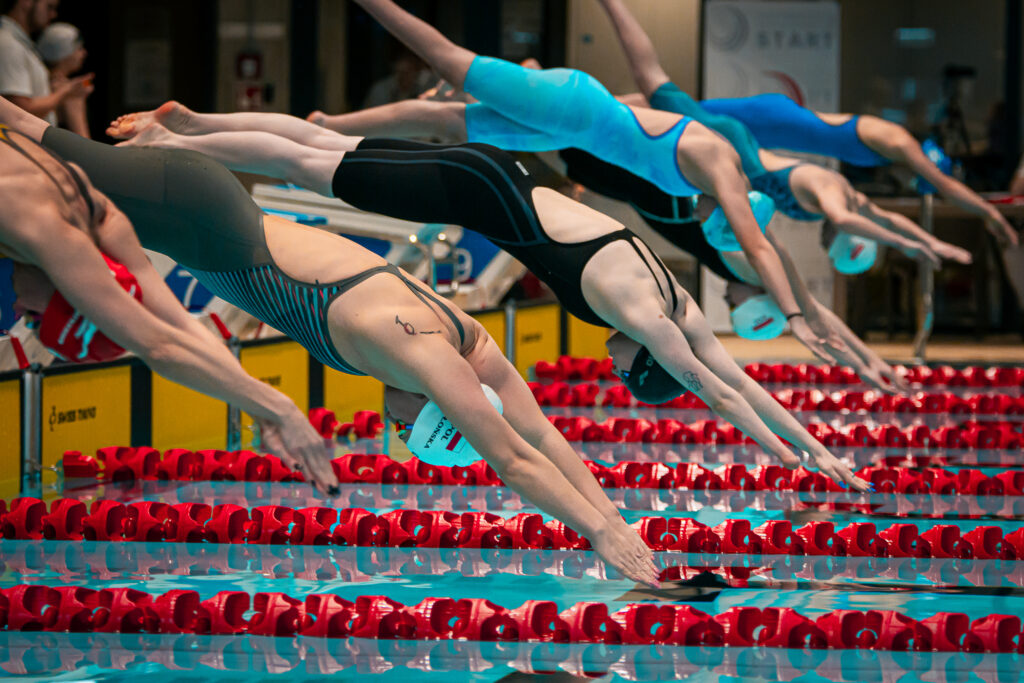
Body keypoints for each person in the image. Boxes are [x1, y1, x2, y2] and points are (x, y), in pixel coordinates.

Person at [1, 98, 670, 588]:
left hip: (195, 215)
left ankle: (162, 142)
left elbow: (542, 435)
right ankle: (162, 142)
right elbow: (515, 459)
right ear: (430, 406)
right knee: (30, 140)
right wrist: (601, 534)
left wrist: (620, 518)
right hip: (192, 216)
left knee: (33, 154)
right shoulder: (419, 350)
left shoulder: (469, 341)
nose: (393, 427)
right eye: (406, 431)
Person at [104, 100, 870, 497]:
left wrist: (820, 451)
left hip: (500, 173)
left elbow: (737, 375)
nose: (611, 357)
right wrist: (795, 459)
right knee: (309, 166)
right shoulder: (643, 319)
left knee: (320, 155)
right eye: (623, 367)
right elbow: (723, 394)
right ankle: (178, 145)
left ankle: (191, 128)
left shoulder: (676, 299)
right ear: (645, 362)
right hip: (476, 189)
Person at [325, 0, 857, 366]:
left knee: (443, 121)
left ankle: (330, 125)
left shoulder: (712, 184)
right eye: (710, 221)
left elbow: (765, 250)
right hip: (569, 104)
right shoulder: (717, 165)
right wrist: (795, 316)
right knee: (444, 58)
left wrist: (812, 318)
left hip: (563, 123)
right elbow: (760, 246)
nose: (696, 218)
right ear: (726, 210)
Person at [0, 98, 338, 494]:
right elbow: (160, 343)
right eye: (35, 318)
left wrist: (261, 405)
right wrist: (280, 409)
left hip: (186, 185)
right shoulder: (64, 225)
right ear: (72, 291)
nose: (19, 310)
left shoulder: (79, 216)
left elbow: (176, 328)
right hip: (187, 195)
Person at [596, 0, 971, 272]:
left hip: (736, 155)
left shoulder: (853, 203)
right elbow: (856, 222)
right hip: (734, 148)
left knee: (651, 103)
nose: (824, 248)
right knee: (652, 80)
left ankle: (586, 101)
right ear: (842, 240)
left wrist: (929, 241)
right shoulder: (835, 200)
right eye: (832, 248)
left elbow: (889, 219)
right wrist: (906, 245)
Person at [558, 148, 910, 394]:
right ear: (761, 298)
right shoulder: (752, 266)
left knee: (572, 159)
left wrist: (865, 361)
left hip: (652, 194)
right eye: (735, 306)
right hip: (663, 191)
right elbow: (820, 316)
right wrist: (865, 363)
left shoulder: (739, 267)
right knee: (572, 153)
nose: (727, 298)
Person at [698, 92, 1019, 250]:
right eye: (916, 178)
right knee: (667, 108)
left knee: (675, 116)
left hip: (768, 131)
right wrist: (990, 215)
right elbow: (946, 187)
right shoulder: (900, 142)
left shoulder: (890, 155)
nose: (909, 181)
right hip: (769, 119)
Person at [0, 0, 91, 125]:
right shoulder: (9, 44)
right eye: (49, 6)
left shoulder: (20, 44)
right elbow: (20, 111)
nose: (53, 14)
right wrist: (65, 91)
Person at [37, 21, 90, 137]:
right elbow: (83, 141)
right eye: (79, 48)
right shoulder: (65, 90)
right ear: (63, 54)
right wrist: (77, 100)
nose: (84, 53)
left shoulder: (44, 80)